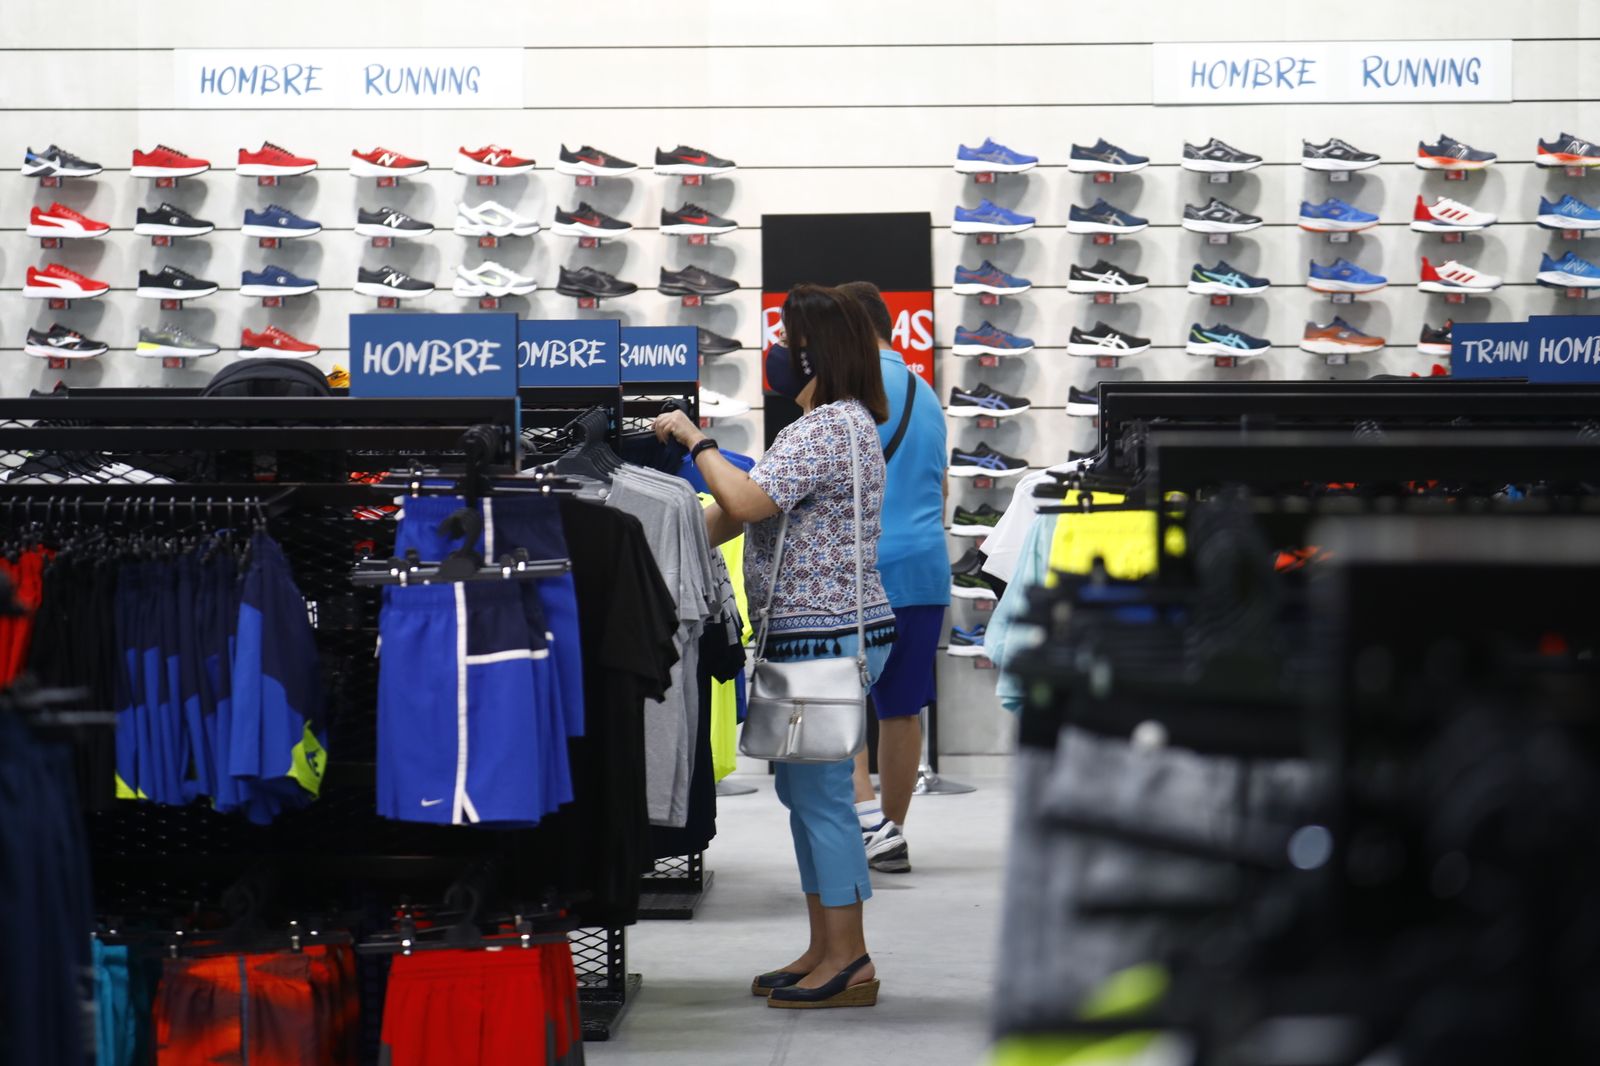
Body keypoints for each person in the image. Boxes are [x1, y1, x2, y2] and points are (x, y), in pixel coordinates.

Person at [652, 282, 896, 1010]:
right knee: (804, 795)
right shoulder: (837, 424)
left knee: (821, 799)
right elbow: (742, 514)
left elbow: (750, 501)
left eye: (789, 343)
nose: (778, 355)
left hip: (824, 636)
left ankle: (850, 959)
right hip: (824, 633)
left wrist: (698, 443)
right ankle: (826, 946)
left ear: (818, 353)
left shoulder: (825, 429)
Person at [836, 281, 948, 875]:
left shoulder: (849, 395)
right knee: (903, 708)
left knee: (843, 697)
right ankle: (894, 832)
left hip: (862, 567)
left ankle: (865, 821)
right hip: (926, 567)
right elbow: (941, 486)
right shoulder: (927, 393)